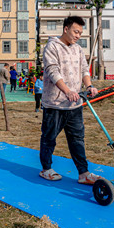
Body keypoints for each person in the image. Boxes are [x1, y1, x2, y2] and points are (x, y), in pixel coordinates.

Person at [39, 16, 100, 184]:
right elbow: (53, 72)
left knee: (77, 138)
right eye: (75, 31)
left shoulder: (78, 49)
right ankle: (46, 169)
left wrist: (89, 86)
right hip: (55, 104)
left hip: (75, 104)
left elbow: (84, 71)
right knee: (49, 138)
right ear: (66, 29)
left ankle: (83, 173)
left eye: (80, 33)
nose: (78, 35)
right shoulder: (52, 46)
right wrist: (67, 91)